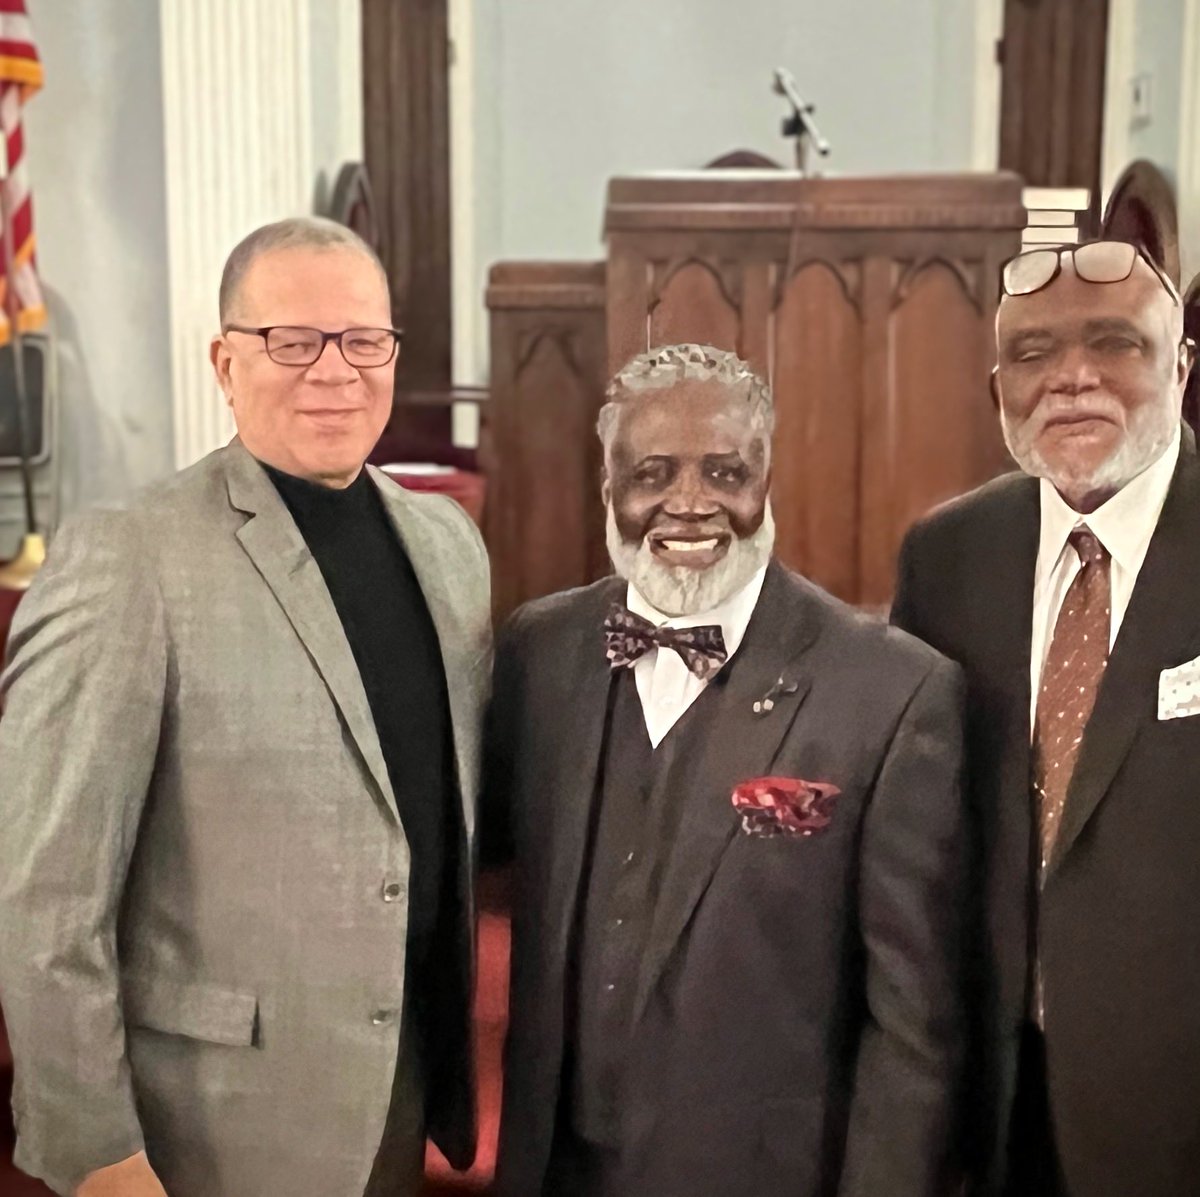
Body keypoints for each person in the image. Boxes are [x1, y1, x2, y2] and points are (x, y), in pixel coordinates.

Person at [0, 216, 491, 1197]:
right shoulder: (129, 558)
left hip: (387, 1098)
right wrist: (98, 1152)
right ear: (225, 363)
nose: (334, 371)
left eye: (362, 340)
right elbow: (44, 898)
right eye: (291, 341)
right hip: (209, 1127)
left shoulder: (449, 547)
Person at [485, 343, 967, 1197]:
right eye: (653, 473)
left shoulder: (891, 692)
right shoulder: (539, 650)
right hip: (552, 1167)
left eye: (724, 471)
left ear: (766, 479)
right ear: (610, 489)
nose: (689, 504)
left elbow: (913, 1026)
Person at [892, 239, 1197, 1197]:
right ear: (997, 392)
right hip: (993, 1101)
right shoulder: (947, 557)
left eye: (1115, 342)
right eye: (1033, 354)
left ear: (1181, 366)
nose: (1072, 377)